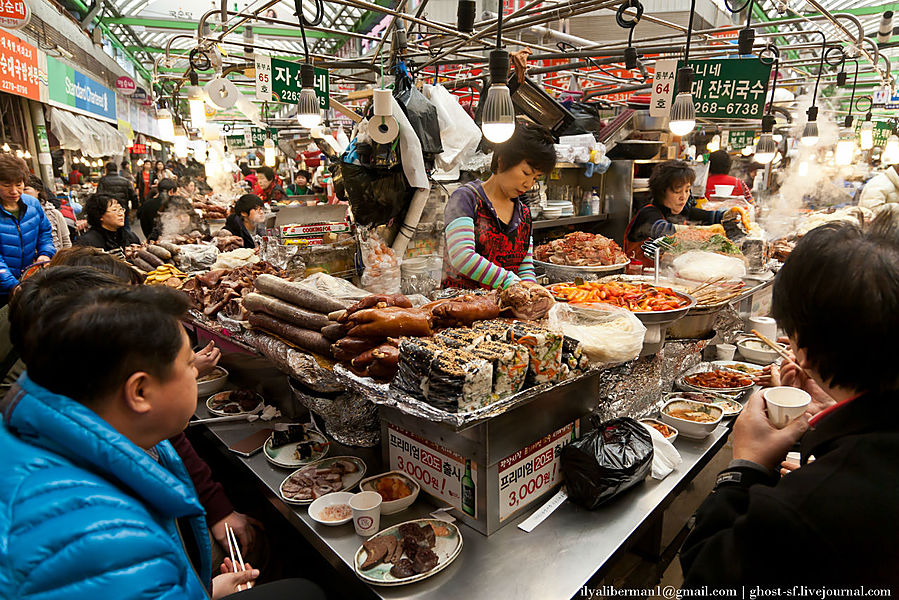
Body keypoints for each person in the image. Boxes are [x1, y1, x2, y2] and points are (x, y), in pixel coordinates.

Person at [0, 276, 260, 598]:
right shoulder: (113, 540)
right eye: (188, 364)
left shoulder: (36, 430)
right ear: (140, 391)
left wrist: (202, 592)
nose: (196, 372)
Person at [680, 213, 899, 589]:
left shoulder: (804, 509)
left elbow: (706, 578)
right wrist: (830, 415)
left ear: (806, 352)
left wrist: (746, 466)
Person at [442, 122, 555, 290]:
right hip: (462, 308)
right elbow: (462, 257)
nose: (528, 184)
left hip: (505, 311)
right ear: (502, 162)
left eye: (536, 178)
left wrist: (532, 292)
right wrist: (512, 283)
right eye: (526, 173)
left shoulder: (523, 213)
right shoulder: (466, 199)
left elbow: (525, 267)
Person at [624, 160, 730, 262]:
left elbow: (714, 217)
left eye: (687, 190)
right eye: (677, 191)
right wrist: (707, 231)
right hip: (637, 276)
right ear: (662, 191)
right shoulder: (648, 214)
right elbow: (663, 230)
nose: (683, 197)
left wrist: (729, 215)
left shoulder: (683, 212)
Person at [0, 154, 55, 303]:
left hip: (27, 281)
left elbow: (45, 233)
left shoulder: (32, 204)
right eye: (6, 185)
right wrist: (12, 284)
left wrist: (45, 253)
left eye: (19, 184)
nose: (14, 191)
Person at [25, 176, 70, 251]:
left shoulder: (53, 213)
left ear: (38, 190)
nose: (22, 193)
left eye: (25, 189)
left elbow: (66, 241)